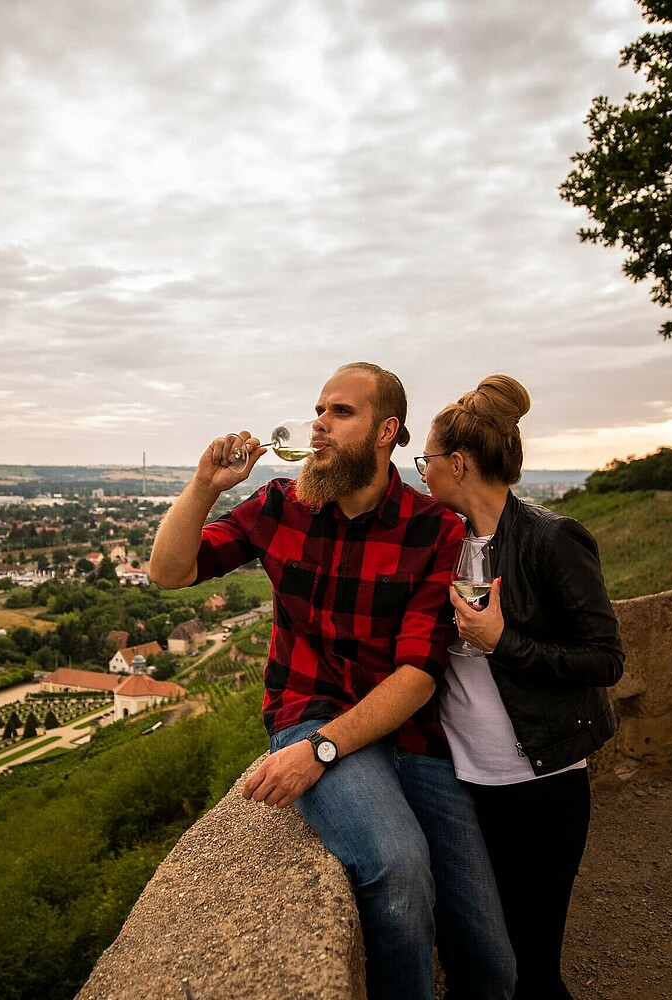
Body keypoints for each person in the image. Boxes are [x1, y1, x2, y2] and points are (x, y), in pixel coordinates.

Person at [150, 362, 515, 1000]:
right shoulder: (279, 505)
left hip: (407, 733)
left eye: (340, 413)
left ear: (386, 431)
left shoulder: (435, 528)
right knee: (397, 870)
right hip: (309, 709)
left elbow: (418, 676)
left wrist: (321, 754)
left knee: (491, 958)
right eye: (319, 411)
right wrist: (205, 485)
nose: (319, 426)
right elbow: (170, 571)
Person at [418, 374, 625, 1000]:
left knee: (532, 966)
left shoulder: (551, 539)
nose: (421, 471)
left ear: (458, 463)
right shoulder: (444, 541)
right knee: (468, 956)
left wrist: (504, 643)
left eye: (426, 460)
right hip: (459, 786)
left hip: (539, 788)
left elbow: (605, 658)